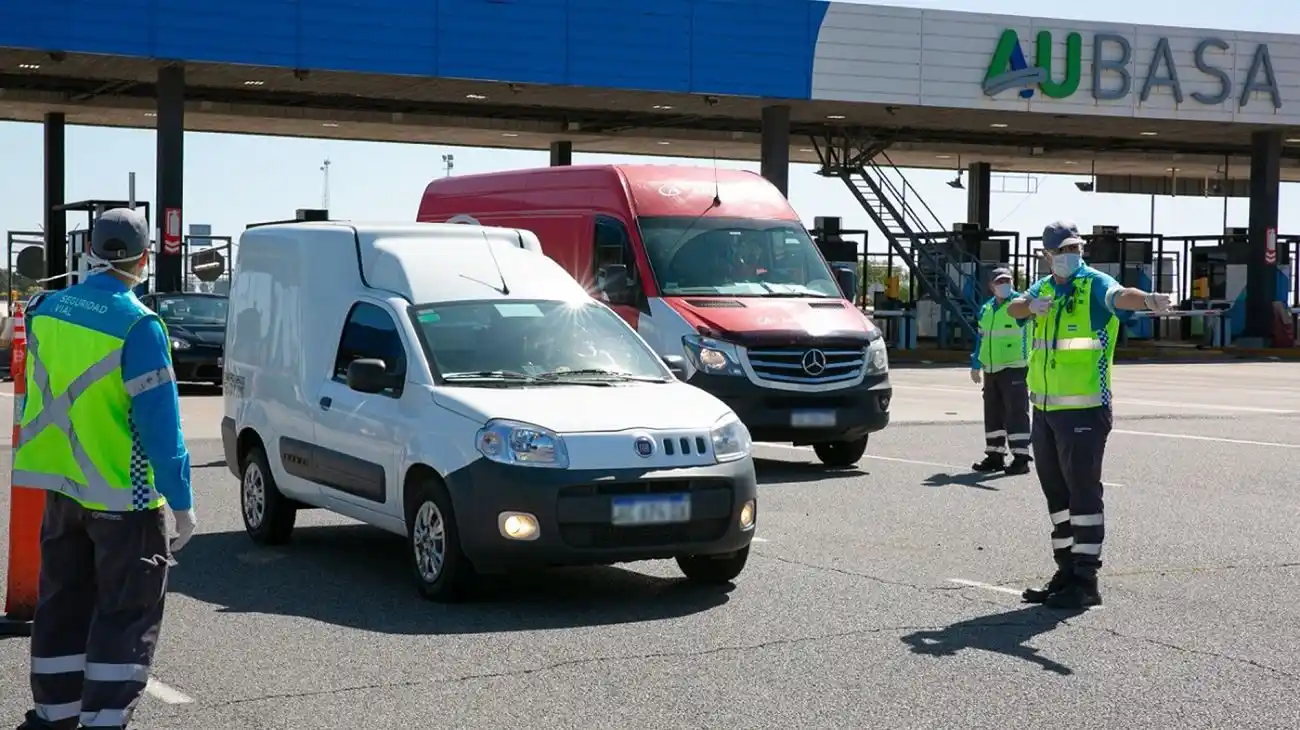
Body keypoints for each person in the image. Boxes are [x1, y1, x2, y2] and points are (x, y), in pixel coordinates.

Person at [16, 208, 195, 730]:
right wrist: (181, 503)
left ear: (90, 251)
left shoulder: (45, 309)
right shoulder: (139, 326)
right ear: (144, 258)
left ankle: (53, 714)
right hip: (123, 497)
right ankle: (104, 721)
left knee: (62, 603)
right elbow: (163, 429)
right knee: (126, 613)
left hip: (60, 487)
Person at [1006, 221, 1170, 610]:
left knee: (1082, 493)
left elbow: (1119, 295)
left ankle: (1086, 579)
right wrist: (1029, 307)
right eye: (1061, 250)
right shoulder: (1043, 288)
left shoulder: (1093, 283)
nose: (1069, 255)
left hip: (1085, 409)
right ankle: (1065, 571)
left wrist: (1147, 299)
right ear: (1046, 255)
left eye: (1074, 248)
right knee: (1057, 496)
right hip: (1044, 410)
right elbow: (1013, 307)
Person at [969, 266, 1031, 475]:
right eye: (999, 282)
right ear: (991, 286)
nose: (1004, 285)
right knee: (993, 412)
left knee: (1016, 412)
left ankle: (1021, 457)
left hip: (1014, 366)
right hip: (991, 368)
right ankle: (995, 455)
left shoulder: (1021, 305)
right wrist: (976, 363)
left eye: (1007, 281)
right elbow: (981, 338)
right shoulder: (986, 309)